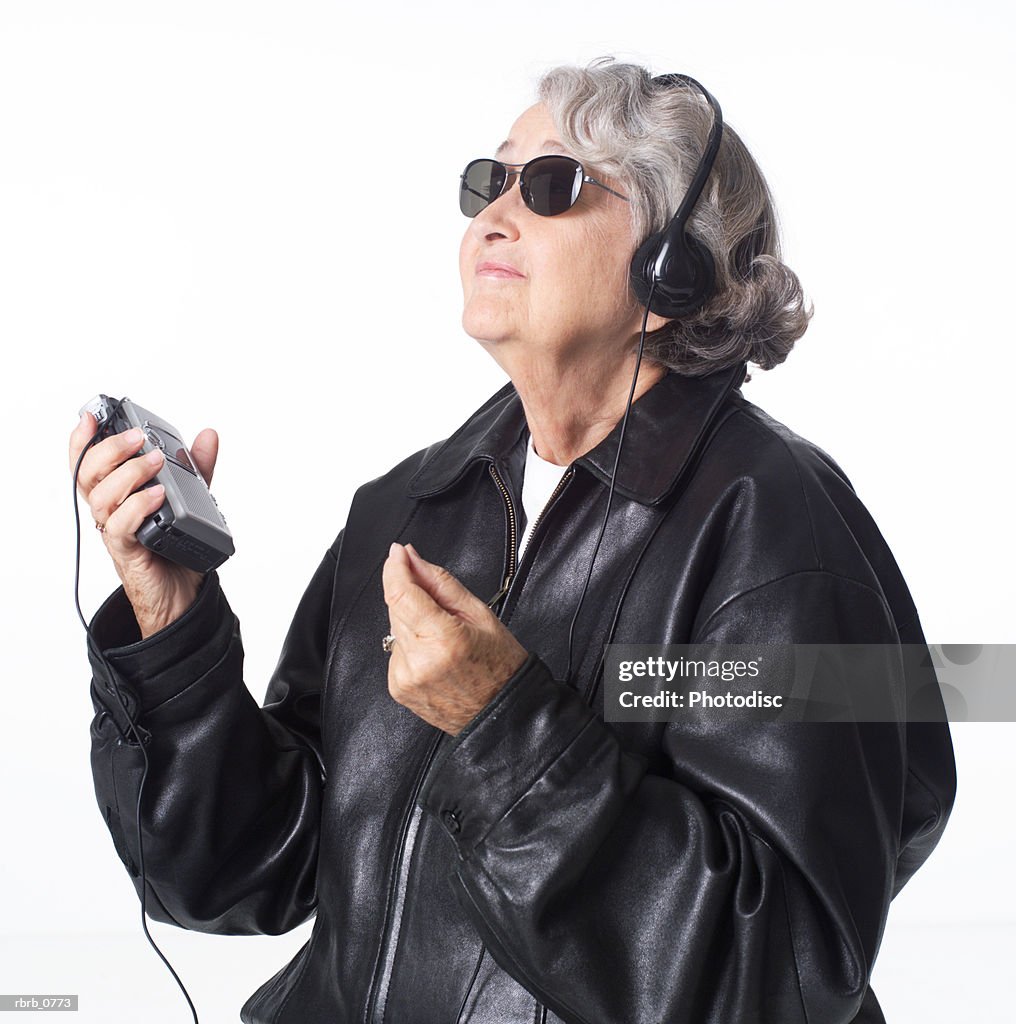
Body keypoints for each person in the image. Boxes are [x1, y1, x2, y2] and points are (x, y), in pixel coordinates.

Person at [69, 59, 956, 1024]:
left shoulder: (781, 534)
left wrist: (502, 724)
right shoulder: (411, 508)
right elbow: (255, 872)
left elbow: (780, 973)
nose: (492, 216)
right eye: (490, 182)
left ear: (673, 263)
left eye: (551, 186)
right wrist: (174, 632)